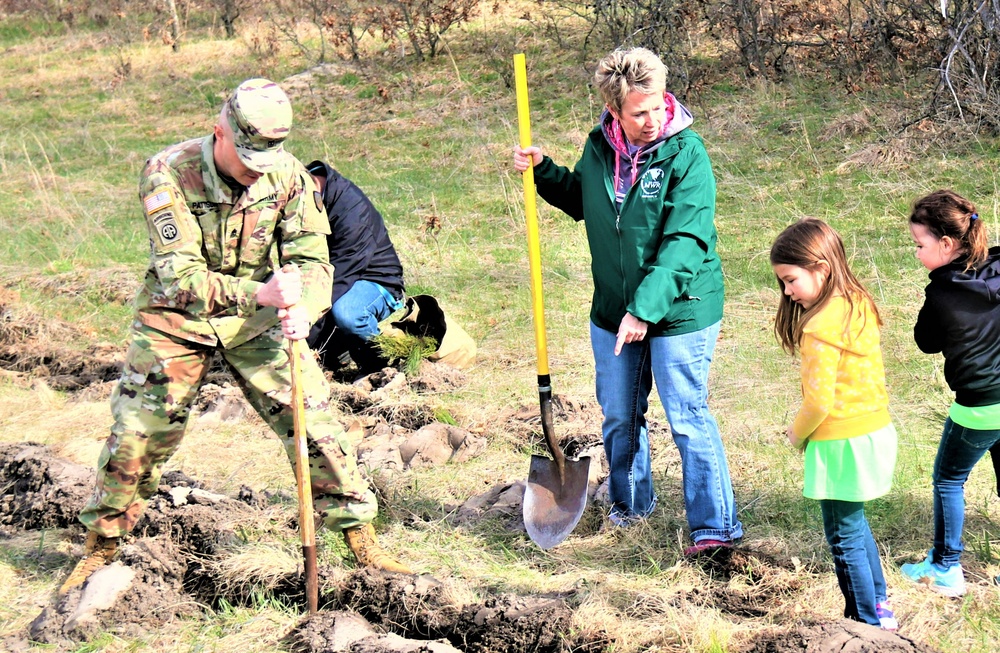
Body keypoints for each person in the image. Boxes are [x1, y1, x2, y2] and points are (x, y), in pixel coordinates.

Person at [59, 78, 410, 596]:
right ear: (218, 131)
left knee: (316, 423)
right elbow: (180, 277)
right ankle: (101, 547)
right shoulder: (168, 174)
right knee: (136, 436)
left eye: (265, 160)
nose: (254, 172)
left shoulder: (287, 175)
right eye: (246, 158)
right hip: (175, 321)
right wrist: (264, 295)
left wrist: (305, 305)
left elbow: (314, 260)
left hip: (257, 323)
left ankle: (362, 541)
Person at [512, 47, 743, 553]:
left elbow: (687, 240)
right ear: (614, 111)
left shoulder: (686, 153)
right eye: (639, 111)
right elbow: (587, 202)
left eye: (658, 105)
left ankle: (714, 526)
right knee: (619, 413)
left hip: (682, 307)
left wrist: (644, 309)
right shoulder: (599, 148)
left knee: (686, 415)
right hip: (614, 310)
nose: (653, 118)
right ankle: (630, 505)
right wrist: (544, 171)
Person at [770, 218, 898, 630]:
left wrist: (797, 433)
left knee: (842, 537)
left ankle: (865, 626)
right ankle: (878, 606)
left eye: (791, 280)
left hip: (840, 441)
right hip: (873, 432)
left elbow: (819, 401)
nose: (787, 291)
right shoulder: (856, 302)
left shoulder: (819, 330)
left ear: (821, 268)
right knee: (855, 525)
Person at [901, 189, 1000, 597]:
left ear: (946, 243)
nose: (917, 253)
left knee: (948, 479)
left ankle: (945, 568)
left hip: (979, 405)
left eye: (919, 245)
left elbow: (925, 341)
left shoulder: (941, 293)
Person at [303, 159, 405, 376]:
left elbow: (336, 281)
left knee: (348, 314)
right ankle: (339, 349)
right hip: (334, 278)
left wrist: (306, 333)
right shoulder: (303, 199)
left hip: (375, 281)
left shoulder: (352, 214)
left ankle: (377, 367)